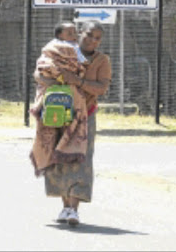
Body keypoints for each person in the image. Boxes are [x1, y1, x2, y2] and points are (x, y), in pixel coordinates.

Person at [30, 21, 111, 226]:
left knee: (80, 159)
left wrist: (76, 81)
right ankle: (65, 207)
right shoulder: (60, 52)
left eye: (97, 38)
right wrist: (54, 80)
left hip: (85, 116)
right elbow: (39, 73)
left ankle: (74, 209)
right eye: (89, 35)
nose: (93, 40)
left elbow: (101, 88)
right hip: (57, 112)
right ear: (79, 34)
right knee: (57, 157)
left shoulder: (102, 60)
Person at [29, 21, 87, 120]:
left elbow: (81, 61)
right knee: (47, 95)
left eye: (74, 32)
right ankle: (39, 109)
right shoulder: (53, 45)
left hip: (68, 80)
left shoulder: (76, 46)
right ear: (59, 35)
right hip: (51, 76)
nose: (73, 35)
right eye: (69, 33)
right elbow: (45, 60)